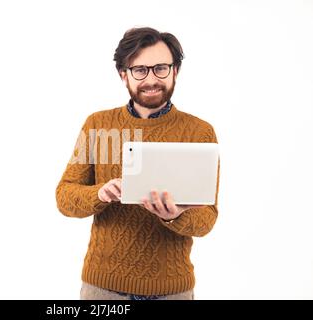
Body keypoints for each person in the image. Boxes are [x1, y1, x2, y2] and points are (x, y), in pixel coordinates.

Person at [55, 27, 220, 300]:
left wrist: (175, 215)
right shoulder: (97, 125)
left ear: (175, 71)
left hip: (172, 291)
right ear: (124, 75)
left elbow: (207, 219)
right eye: (140, 70)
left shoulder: (200, 132)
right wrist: (99, 193)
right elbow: (64, 196)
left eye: (160, 68)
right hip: (103, 289)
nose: (151, 79)